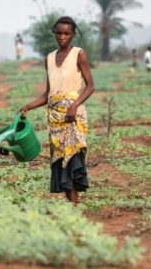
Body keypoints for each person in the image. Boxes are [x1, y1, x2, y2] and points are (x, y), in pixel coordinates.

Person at [19, 16, 95, 204]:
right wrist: (29, 106)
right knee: (61, 162)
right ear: (55, 33)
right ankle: (71, 204)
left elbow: (90, 86)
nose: (62, 37)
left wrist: (74, 106)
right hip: (55, 120)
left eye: (66, 33)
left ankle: (75, 205)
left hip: (72, 117)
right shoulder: (49, 58)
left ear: (73, 35)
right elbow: (48, 94)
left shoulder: (79, 54)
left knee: (73, 159)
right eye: (59, 33)